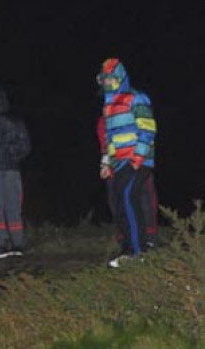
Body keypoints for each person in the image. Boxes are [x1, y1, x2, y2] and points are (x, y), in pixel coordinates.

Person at [95, 58, 157, 268]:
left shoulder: (136, 98)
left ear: (120, 78)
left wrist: (137, 159)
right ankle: (129, 248)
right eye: (103, 79)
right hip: (119, 163)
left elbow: (147, 130)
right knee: (120, 203)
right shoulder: (109, 105)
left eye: (110, 79)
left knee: (129, 198)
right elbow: (110, 139)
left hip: (137, 161)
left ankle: (138, 252)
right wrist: (107, 163)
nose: (106, 83)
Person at [0, 87, 31, 258]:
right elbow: (26, 147)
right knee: (14, 206)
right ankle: (18, 244)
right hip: (13, 169)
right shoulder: (17, 122)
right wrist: (14, 156)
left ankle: (0, 245)